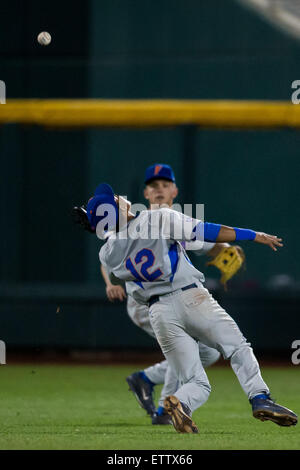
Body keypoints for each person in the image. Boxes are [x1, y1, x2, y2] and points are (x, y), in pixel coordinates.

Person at [87, 182, 298, 434]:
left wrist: (95, 218)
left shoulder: (108, 251)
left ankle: (181, 403)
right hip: (190, 297)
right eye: (115, 198)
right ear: (117, 209)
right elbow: (204, 230)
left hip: (158, 312)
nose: (120, 197)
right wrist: (253, 235)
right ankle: (259, 397)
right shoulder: (159, 218)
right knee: (237, 347)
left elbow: (112, 233)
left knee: (196, 382)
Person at [100, 164, 229, 425]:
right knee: (189, 346)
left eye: (164, 185)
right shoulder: (132, 220)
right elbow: (105, 258)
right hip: (144, 303)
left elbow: (207, 242)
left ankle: (146, 380)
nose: (159, 190)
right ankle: (163, 410)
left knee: (209, 353)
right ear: (145, 194)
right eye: (153, 186)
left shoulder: (176, 220)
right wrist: (108, 283)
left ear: (174, 191)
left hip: (170, 300)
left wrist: (227, 247)